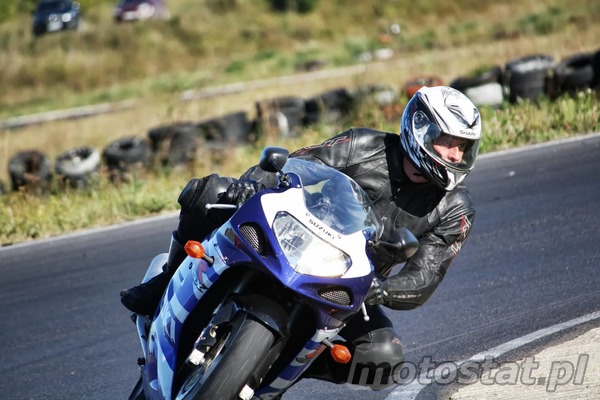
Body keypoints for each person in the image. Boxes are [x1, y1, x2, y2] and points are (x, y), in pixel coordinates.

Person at [120, 85, 482, 389]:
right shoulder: (361, 144)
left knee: (383, 357)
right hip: (295, 236)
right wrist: (252, 185)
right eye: (447, 142)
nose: (455, 154)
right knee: (209, 191)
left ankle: (272, 367)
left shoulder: (455, 208)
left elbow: (426, 274)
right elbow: (295, 165)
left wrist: (383, 290)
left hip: (348, 282)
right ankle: (164, 281)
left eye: (462, 147)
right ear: (420, 130)